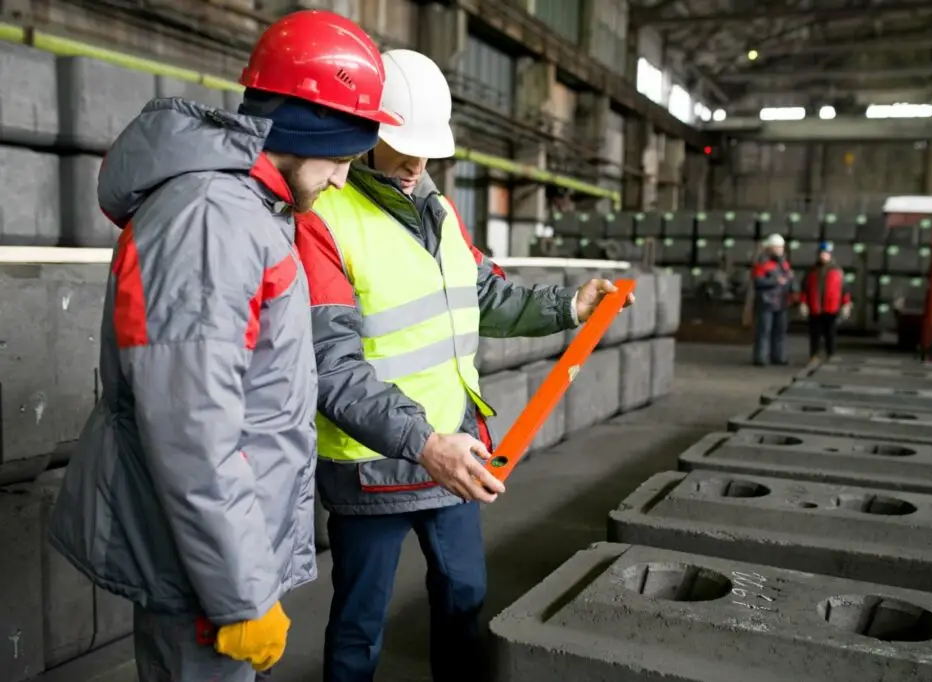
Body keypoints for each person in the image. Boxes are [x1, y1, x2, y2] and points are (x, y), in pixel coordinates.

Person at [46, 11, 401, 682]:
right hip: (205, 574)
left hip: (219, 559)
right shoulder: (212, 221)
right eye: (342, 159)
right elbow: (191, 432)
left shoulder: (246, 213)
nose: (341, 181)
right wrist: (239, 596)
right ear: (303, 130)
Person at [293, 48, 632, 682]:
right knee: (359, 626)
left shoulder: (441, 211)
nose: (416, 161)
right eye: (401, 144)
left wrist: (569, 306)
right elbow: (331, 366)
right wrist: (422, 443)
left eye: (426, 149)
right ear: (365, 130)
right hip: (374, 468)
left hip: (453, 452)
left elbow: (485, 297)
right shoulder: (323, 219)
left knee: (464, 601)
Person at [799, 240, 852, 360]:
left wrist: (846, 304)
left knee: (830, 334)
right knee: (814, 335)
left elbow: (845, 290)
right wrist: (803, 303)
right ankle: (814, 355)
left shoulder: (838, 271)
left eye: (826, 253)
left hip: (831, 309)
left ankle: (830, 355)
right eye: (822, 253)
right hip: (814, 308)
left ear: (830, 255)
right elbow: (805, 289)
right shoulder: (811, 271)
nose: (824, 256)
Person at [751, 232, 794, 366]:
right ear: (769, 248)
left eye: (781, 247)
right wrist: (775, 281)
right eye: (776, 247)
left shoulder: (784, 265)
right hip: (767, 302)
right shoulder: (762, 264)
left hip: (781, 302)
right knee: (764, 331)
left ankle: (778, 356)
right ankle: (761, 357)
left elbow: (789, 280)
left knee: (780, 331)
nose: (779, 250)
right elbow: (758, 282)